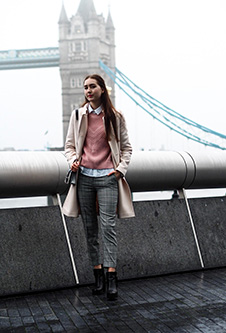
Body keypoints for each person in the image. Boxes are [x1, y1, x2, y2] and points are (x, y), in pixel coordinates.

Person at [62, 74, 135, 300]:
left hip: (107, 178)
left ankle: (111, 276)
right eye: (85, 87)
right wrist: (73, 159)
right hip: (83, 178)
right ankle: (98, 276)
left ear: (102, 89)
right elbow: (69, 146)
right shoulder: (77, 115)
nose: (88, 90)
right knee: (90, 230)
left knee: (108, 228)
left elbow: (127, 148)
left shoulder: (115, 116)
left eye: (92, 86)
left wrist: (120, 170)